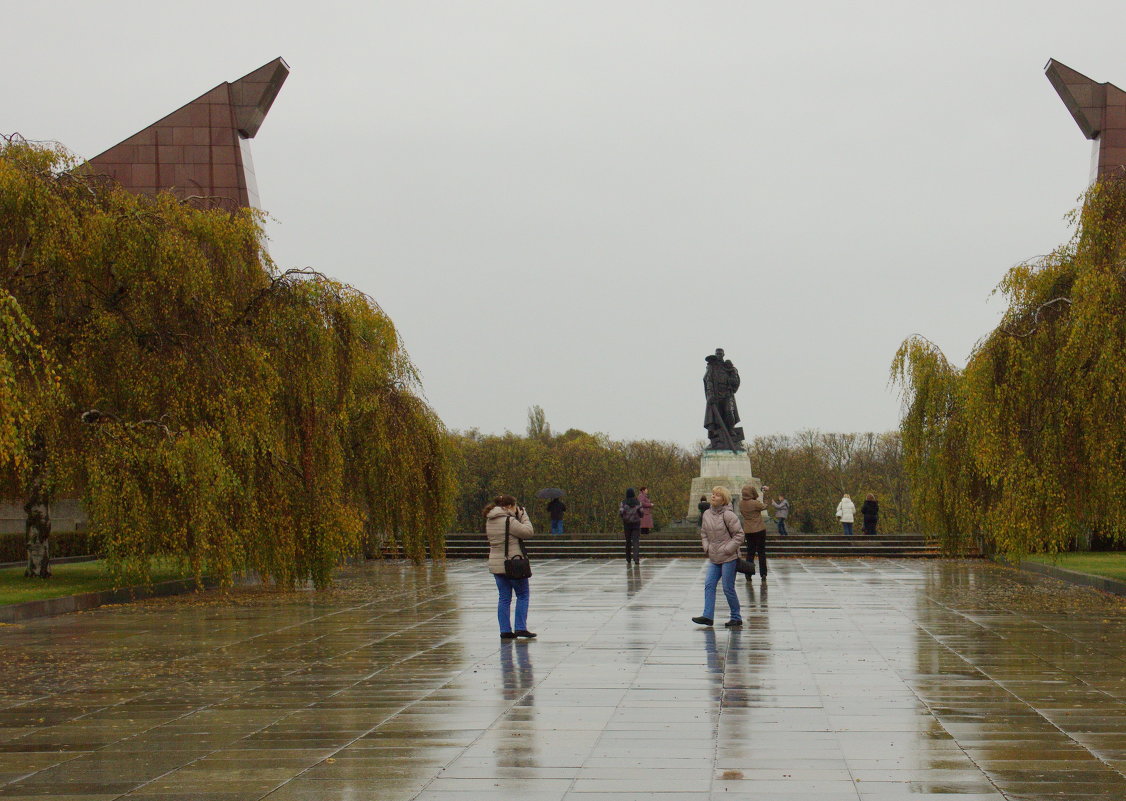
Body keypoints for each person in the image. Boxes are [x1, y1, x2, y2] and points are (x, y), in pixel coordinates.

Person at [484, 494, 536, 639]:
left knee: (504, 598)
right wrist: (524, 516)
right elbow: (528, 532)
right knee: (523, 595)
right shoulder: (509, 521)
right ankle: (520, 627)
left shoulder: (490, 520)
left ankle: (505, 630)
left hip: (496, 564)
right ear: (508, 506)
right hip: (513, 564)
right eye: (514, 506)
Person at [692, 486, 744, 628]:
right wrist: (706, 546)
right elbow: (703, 533)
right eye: (713, 494)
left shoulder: (729, 515)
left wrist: (728, 549)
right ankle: (708, 616)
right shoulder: (707, 514)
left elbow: (739, 535)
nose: (713, 496)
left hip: (728, 557)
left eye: (717, 495)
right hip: (714, 556)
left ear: (724, 499)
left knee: (728, 587)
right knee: (709, 584)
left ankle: (736, 617)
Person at [739, 484, 767, 582]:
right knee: (761, 552)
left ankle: (748, 574)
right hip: (759, 529)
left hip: (748, 530)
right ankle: (763, 573)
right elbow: (764, 506)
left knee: (750, 552)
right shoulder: (755, 503)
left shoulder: (741, 503)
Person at [619, 488, 643, 564]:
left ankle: (628, 558)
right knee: (636, 541)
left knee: (628, 541)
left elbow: (621, 512)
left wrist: (625, 517)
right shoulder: (638, 502)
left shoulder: (623, 502)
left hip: (627, 524)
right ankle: (636, 559)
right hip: (636, 524)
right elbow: (641, 513)